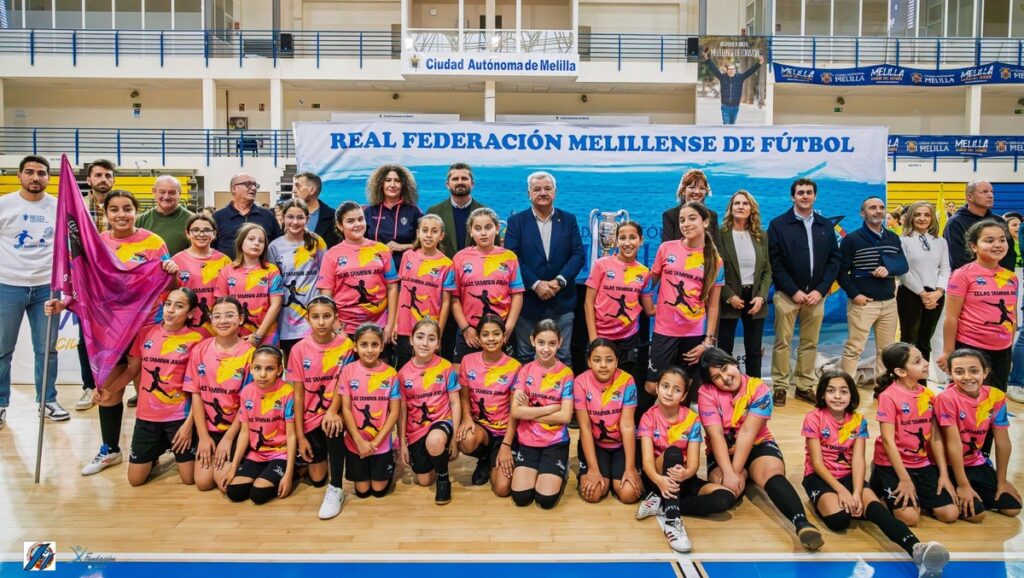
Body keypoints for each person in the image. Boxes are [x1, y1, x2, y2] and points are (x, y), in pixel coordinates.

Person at [59, 190, 179, 476]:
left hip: (147, 326)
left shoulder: (153, 242)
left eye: (127, 208)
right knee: (110, 389)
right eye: (115, 209)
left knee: (146, 391)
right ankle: (110, 449)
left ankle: (150, 449)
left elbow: (169, 286)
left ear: (137, 211)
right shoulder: (97, 243)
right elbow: (85, 284)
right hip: (109, 330)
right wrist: (63, 301)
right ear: (105, 213)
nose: (121, 214)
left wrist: (172, 272)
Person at [802, 369, 949, 575]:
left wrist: (856, 491)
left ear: (852, 395)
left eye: (843, 391)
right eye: (831, 391)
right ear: (822, 394)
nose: (837, 396)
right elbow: (817, 463)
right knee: (840, 520)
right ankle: (820, 501)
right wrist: (841, 492)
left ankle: (917, 549)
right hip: (820, 477)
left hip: (849, 476)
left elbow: (858, 459)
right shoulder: (813, 418)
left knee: (874, 509)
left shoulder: (858, 420)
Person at [698, 347, 824, 551]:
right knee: (726, 490)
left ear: (733, 362)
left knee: (771, 474)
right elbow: (716, 436)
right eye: (717, 377)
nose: (725, 378)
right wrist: (728, 473)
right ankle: (744, 476)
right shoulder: (706, 393)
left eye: (725, 368)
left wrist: (736, 471)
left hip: (757, 444)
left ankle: (802, 524)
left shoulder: (759, 389)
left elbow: (748, 432)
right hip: (724, 451)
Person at [636, 366, 737, 553]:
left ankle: (663, 504)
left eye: (676, 389)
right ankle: (673, 522)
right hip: (656, 478)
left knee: (726, 498)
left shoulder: (692, 419)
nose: (669, 393)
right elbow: (647, 463)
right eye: (665, 386)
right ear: (657, 388)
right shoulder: (648, 417)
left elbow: (693, 464)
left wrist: (687, 473)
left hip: (683, 476)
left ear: (683, 395)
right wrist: (659, 480)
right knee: (673, 452)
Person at [108, 288, 203, 487]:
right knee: (135, 481)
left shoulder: (196, 341)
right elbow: (132, 370)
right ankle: (157, 448)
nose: (170, 310)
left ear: (191, 313)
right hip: (146, 417)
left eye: (179, 306)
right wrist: (110, 389)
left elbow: (198, 388)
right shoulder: (145, 332)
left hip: (178, 418)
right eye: (168, 304)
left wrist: (188, 426)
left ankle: (173, 445)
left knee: (188, 479)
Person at [1, 155, 66, 430]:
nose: (35, 177)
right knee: (2, 350)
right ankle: (1, 404)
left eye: (41, 173)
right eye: (29, 172)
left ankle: (47, 400)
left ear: (49, 178)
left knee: (47, 349)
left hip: (46, 288)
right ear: (19, 176)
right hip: (8, 285)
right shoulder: (4, 205)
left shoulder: (59, 207)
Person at [767, 178, 841, 406]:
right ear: (793, 197)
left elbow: (834, 261)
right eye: (800, 192)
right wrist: (793, 290)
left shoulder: (825, 226)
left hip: (816, 297)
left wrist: (820, 291)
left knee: (810, 342)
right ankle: (780, 386)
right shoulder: (778, 224)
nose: (805, 196)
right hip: (787, 296)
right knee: (782, 342)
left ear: (815, 196)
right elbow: (774, 262)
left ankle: (804, 385)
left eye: (809, 192)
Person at [872, 342, 959, 525]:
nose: (927, 363)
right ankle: (880, 477)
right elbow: (888, 441)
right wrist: (904, 479)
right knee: (910, 518)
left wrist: (943, 474)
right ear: (901, 372)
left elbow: (935, 439)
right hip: (892, 463)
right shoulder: (888, 396)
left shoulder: (929, 395)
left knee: (950, 514)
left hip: (922, 463)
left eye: (923, 358)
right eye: (918, 361)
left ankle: (918, 495)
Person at [505, 171, 585, 365]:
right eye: (537, 189)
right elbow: (512, 258)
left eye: (547, 188)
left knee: (563, 357)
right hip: (528, 304)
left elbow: (578, 255)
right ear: (529, 193)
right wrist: (536, 284)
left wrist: (559, 282)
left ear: (555, 192)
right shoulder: (516, 222)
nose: (542, 192)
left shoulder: (569, 219)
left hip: (562, 301)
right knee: (525, 357)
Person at [644, 202, 722, 398]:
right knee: (652, 387)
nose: (686, 223)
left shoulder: (715, 260)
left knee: (683, 390)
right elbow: (650, 282)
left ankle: (679, 427)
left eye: (692, 218)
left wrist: (707, 342)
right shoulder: (666, 248)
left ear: (705, 222)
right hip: (664, 330)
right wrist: (648, 306)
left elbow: (713, 305)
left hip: (692, 334)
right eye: (682, 220)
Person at [286, 296, 354, 520]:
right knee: (316, 478)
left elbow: (344, 384)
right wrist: (300, 435)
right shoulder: (298, 349)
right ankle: (304, 462)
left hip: (336, 412)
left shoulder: (346, 346)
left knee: (333, 426)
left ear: (336, 318)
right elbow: (297, 394)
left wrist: (333, 411)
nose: (321, 322)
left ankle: (335, 488)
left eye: (327, 316)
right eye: (315, 317)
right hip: (309, 417)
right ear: (307, 319)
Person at [937, 348, 1022, 522]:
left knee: (1012, 507)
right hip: (950, 465)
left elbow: (1002, 441)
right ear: (951, 374)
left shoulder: (995, 396)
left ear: (985, 372)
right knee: (977, 515)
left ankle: (976, 490)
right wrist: (963, 485)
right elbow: (954, 445)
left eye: (974, 371)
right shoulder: (946, 398)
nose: (967, 377)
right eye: (959, 372)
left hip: (975, 462)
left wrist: (1002, 481)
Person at [938, 220, 1017, 401]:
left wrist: (1009, 350)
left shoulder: (1011, 277)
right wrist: (948, 351)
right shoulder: (962, 274)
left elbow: (1013, 316)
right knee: (971, 401)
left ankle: (990, 430)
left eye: (1002, 240)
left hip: (1002, 351)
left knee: (996, 400)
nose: (997, 245)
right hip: (971, 347)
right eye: (989, 240)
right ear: (974, 246)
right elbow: (951, 316)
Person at [184, 296, 254, 492]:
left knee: (225, 485)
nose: (223, 321)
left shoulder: (250, 354)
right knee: (203, 483)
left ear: (240, 319)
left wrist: (229, 438)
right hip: (209, 429)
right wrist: (204, 437)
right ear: (211, 320)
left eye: (229, 315)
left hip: (237, 429)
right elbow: (196, 394)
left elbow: (247, 405)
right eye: (217, 316)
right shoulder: (200, 350)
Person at [837, 196, 908, 379]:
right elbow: (841, 273)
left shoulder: (893, 237)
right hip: (863, 303)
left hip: (889, 303)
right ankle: (846, 388)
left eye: (881, 207)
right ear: (863, 213)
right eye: (872, 208)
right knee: (854, 348)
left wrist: (889, 268)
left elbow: (902, 265)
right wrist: (855, 295)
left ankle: (883, 388)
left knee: (886, 350)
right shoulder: (851, 240)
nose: (878, 211)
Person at [509, 319, 575, 509]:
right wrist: (551, 408)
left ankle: (560, 472)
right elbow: (515, 411)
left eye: (552, 344)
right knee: (521, 498)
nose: (546, 349)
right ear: (532, 341)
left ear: (560, 343)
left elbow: (565, 417)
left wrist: (528, 412)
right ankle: (539, 470)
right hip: (528, 441)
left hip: (555, 443)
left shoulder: (566, 374)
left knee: (545, 501)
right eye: (541, 343)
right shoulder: (525, 370)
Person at [331, 323, 400, 500]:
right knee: (362, 492)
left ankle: (389, 458)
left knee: (378, 491)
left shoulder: (391, 374)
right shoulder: (347, 371)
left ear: (382, 346)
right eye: (364, 345)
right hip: (356, 443)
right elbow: (346, 408)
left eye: (374, 345)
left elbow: (393, 413)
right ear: (355, 346)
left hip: (381, 442)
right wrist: (359, 441)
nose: (369, 350)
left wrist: (377, 441)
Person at [397, 318, 461, 505]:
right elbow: (402, 411)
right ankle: (435, 459)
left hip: (441, 423)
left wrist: (455, 438)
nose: (425, 343)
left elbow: (455, 403)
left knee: (434, 441)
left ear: (438, 344)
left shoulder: (446, 367)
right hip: (416, 430)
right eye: (420, 337)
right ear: (411, 340)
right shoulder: (402, 374)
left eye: (431, 338)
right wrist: (402, 443)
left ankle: (443, 478)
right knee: (424, 481)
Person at [222, 346, 297, 505]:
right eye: (258, 368)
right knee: (235, 492)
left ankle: (293, 470)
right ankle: (264, 473)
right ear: (251, 369)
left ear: (279, 370)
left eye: (269, 369)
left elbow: (291, 435)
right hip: (257, 454)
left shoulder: (288, 393)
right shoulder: (246, 392)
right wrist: (233, 468)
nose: (262, 374)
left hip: (280, 453)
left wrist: (288, 475)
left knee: (258, 495)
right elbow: (244, 433)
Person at [449, 208, 524, 364]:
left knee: (504, 377)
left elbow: (517, 295)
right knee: (462, 376)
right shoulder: (460, 258)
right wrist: (465, 329)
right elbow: (454, 298)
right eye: (478, 228)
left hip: (500, 331)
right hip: (469, 332)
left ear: (497, 229)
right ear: (470, 231)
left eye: (488, 228)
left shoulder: (509, 257)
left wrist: (507, 328)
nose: (483, 233)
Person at [317, 201, 399, 342]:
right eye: (350, 221)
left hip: (379, 326)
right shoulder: (331, 255)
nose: (357, 224)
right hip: (345, 329)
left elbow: (392, 288)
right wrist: (338, 330)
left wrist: (390, 325)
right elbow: (326, 297)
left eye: (360, 219)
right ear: (339, 225)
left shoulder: (382, 250)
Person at [456, 314, 520, 494]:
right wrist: (467, 418)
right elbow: (464, 396)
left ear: (504, 336)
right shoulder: (468, 361)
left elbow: (515, 412)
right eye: (485, 334)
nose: (491, 339)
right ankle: (484, 459)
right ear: (479, 337)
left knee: (502, 489)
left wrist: (506, 446)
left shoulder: (515, 367)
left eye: (496, 333)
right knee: (466, 440)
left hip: (504, 432)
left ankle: (497, 459)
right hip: (481, 429)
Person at [584, 221, 655, 379]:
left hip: (628, 340)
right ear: (616, 241)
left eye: (632, 237)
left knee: (623, 384)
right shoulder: (601, 265)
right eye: (622, 238)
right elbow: (588, 303)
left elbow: (650, 310)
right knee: (598, 382)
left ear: (641, 240)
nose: (627, 243)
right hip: (600, 336)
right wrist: (593, 338)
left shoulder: (644, 272)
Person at [574, 339, 642, 505]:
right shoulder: (580, 382)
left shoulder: (627, 380)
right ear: (589, 361)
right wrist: (593, 469)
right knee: (594, 494)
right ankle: (601, 472)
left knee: (629, 495)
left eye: (609, 360)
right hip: (596, 445)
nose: (603, 365)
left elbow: (627, 426)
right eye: (597, 360)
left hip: (621, 445)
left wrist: (630, 468)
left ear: (617, 361)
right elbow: (585, 426)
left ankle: (616, 475)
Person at [75, 159, 116, 410]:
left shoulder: (121, 205)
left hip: (117, 284)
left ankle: (122, 384)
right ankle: (89, 387)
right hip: (88, 283)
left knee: (123, 337)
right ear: (89, 180)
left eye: (108, 175)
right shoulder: (77, 207)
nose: (103, 179)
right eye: (98, 175)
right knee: (85, 337)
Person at [717, 190, 771, 378]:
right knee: (724, 350)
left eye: (745, 203)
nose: (741, 206)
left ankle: (754, 389)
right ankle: (725, 389)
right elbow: (714, 270)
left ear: (751, 209)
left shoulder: (761, 236)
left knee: (754, 350)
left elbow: (767, 270)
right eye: (737, 203)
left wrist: (762, 297)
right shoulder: (720, 234)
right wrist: (729, 296)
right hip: (729, 297)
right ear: (731, 208)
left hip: (755, 297)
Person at [268, 199, 328, 355]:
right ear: (283, 218)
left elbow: (325, 278)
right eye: (290, 217)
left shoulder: (317, 242)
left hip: (313, 317)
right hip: (286, 320)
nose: (295, 222)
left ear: (307, 219)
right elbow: (273, 284)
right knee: (292, 365)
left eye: (300, 217)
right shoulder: (274, 246)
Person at [395, 214, 454, 370]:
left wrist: (438, 333)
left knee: (427, 371)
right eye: (425, 230)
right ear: (418, 233)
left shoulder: (447, 265)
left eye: (434, 231)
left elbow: (446, 301)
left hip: (429, 328)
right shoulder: (407, 256)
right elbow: (400, 291)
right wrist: (395, 322)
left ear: (441, 236)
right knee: (404, 370)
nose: (428, 235)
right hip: (405, 326)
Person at [897, 202, 949, 364]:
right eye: (917, 214)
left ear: (932, 218)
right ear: (911, 218)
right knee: (909, 341)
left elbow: (945, 269)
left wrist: (938, 292)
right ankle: (906, 380)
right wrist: (922, 293)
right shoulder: (903, 240)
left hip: (936, 295)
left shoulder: (941, 242)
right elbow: (903, 270)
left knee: (925, 340)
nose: (922, 218)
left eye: (926, 215)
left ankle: (922, 382)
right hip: (910, 294)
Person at [215, 224, 284, 346]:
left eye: (261, 241)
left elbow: (276, 305)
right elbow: (222, 307)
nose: (257, 243)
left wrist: (258, 336)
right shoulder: (226, 271)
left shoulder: (272, 270)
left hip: (266, 335)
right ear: (241, 242)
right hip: (235, 336)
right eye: (251, 239)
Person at [172, 214, 232, 334]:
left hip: (219, 328)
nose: (201, 234)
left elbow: (231, 296)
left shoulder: (225, 261)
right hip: (186, 327)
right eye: (195, 230)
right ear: (188, 233)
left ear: (214, 234)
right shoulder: (177, 261)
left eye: (207, 230)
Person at [943, 180, 1017, 271]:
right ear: (970, 197)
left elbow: (1009, 254)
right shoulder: (955, 223)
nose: (991, 195)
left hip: (1001, 280)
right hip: (969, 280)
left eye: (991, 191)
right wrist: (985, 277)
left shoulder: (999, 221)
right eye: (984, 192)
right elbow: (958, 259)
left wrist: (1003, 276)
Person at [364, 164, 423, 268]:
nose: (392, 184)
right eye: (388, 180)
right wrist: (378, 248)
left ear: (403, 185)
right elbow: (358, 242)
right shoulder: (369, 212)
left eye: (397, 180)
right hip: (374, 270)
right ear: (380, 184)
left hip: (406, 270)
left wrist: (403, 246)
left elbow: (427, 242)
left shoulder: (414, 211)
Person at [212, 173, 282, 258]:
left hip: (262, 270)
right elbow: (211, 249)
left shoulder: (267, 216)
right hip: (228, 270)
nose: (253, 188)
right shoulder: (218, 217)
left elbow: (278, 245)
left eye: (255, 185)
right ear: (233, 188)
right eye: (248, 184)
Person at [427, 162, 487, 259]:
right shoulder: (434, 212)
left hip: (476, 271)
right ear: (447, 184)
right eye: (455, 179)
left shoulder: (484, 213)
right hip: (443, 271)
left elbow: (493, 248)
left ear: (472, 184)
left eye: (464, 178)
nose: (460, 182)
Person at [661, 169, 721, 248]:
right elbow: (667, 249)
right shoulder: (670, 215)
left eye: (702, 188)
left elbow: (717, 249)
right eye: (692, 187)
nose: (697, 192)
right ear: (683, 190)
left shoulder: (712, 216)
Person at [136, 175, 194, 255]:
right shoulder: (141, 220)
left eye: (172, 193)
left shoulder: (193, 221)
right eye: (162, 192)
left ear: (179, 194)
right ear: (154, 192)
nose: (166, 197)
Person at [703, 51, 765, 124]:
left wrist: (759, 63)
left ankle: (730, 135)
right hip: (725, 106)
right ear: (727, 70)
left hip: (735, 106)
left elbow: (750, 71)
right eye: (730, 70)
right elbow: (714, 69)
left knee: (732, 124)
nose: (731, 71)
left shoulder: (740, 77)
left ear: (735, 70)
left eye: (733, 69)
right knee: (726, 123)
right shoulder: (722, 77)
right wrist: (707, 59)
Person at [293, 172, 339, 248]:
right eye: (294, 186)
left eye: (298, 186)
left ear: (312, 190)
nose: (294, 190)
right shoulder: (287, 216)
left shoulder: (333, 218)